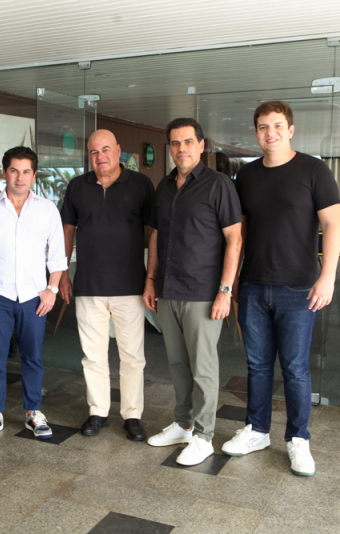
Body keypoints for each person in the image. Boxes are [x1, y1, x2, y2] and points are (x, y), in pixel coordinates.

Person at [221, 101, 340, 477]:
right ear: (255, 133)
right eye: (262, 127)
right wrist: (234, 280)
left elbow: (333, 227)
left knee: (294, 369)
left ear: (290, 129)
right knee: (257, 365)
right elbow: (238, 233)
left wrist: (328, 277)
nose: (269, 133)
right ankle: (257, 430)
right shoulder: (247, 176)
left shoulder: (314, 169)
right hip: (255, 286)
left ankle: (298, 439)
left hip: (300, 289)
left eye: (276, 125)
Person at [142, 118, 242, 466]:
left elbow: (234, 239)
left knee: (203, 368)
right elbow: (156, 236)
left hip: (203, 291)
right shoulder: (165, 187)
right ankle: (183, 424)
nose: (181, 148)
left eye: (188, 142)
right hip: (168, 289)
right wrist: (151, 280)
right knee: (177, 363)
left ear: (201, 146)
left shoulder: (219, 186)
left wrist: (225, 291)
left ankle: (203, 436)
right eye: (174, 143)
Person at [59, 129, 155, 441]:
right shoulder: (77, 186)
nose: (100, 157)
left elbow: (153, 234)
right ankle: (98, 411)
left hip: (130, 286)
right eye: (93, 152)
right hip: (89, 285)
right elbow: (67, 231)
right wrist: (62, 273)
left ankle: (132, 415)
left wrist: (151, 278)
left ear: (118, 150)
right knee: (93, 356)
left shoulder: (141, 185)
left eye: (105, 150)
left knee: (132, 357)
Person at [0, 146, 67, 442]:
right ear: (4, 173)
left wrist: (51, 291)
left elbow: (58, 257)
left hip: (34, 298)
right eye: (14, 170)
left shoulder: (47, 209)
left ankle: (33, 412)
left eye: (26, 171)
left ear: (33, 175)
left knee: (33, 357)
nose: (20, 177)